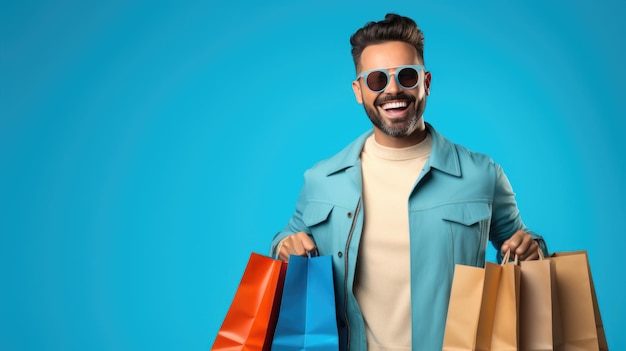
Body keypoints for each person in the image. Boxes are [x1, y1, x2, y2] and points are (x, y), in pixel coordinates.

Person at [270, 13, 548, 351]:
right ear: (358, 91)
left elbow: (521, 242)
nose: (393, 90)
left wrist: (533, 248)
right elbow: (289, 238)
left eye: (406, 75)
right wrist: (283, 246)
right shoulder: (321, 179)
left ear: (426, 82)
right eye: (376, 80)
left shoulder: (482, 174)